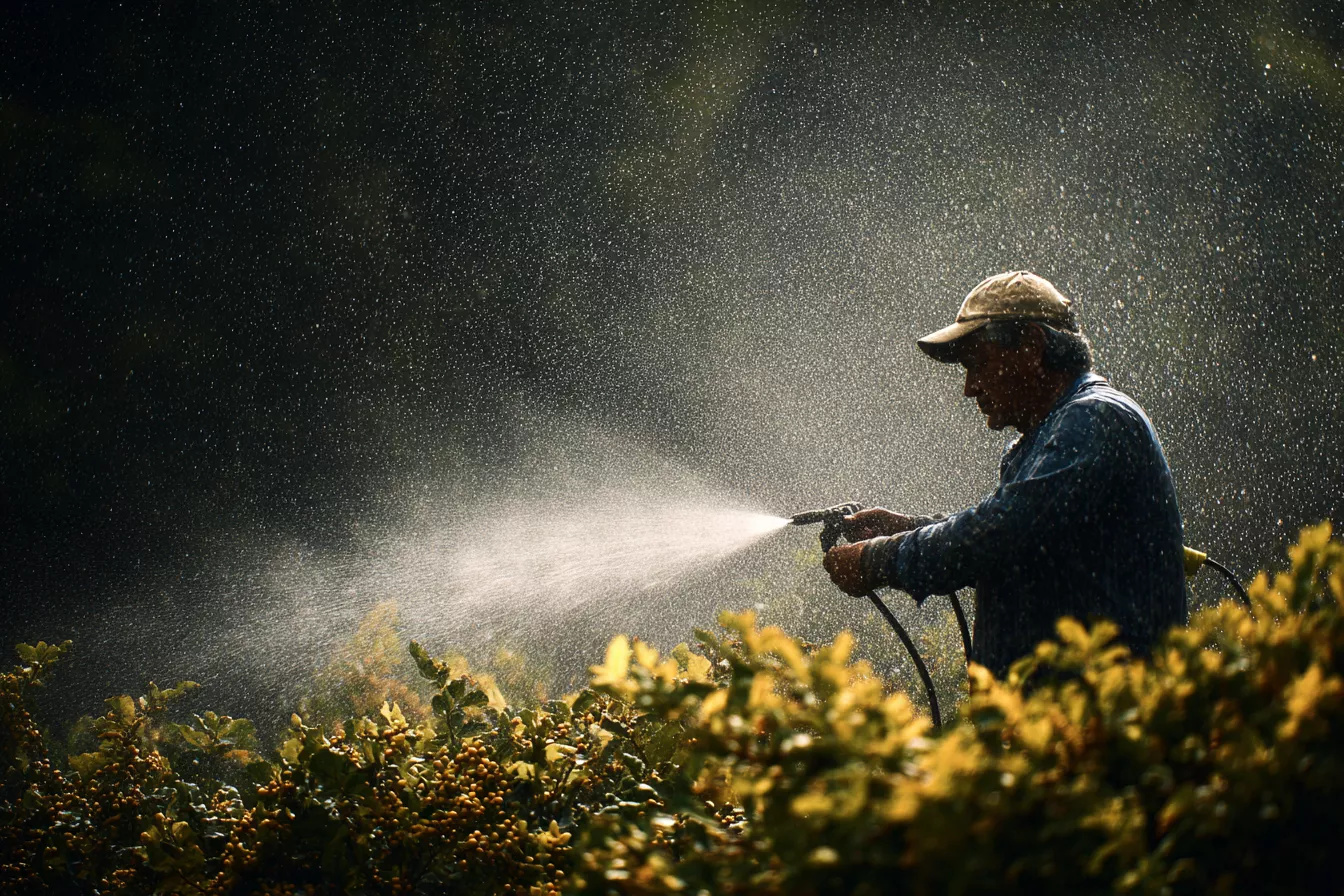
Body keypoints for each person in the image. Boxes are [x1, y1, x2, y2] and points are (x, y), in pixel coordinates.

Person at [822, 271, 1187, 677]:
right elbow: (1025, 542)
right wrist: (908, 528)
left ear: (1031, 345)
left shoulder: (1095, 418)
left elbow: (1002, 535)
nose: (969, 387)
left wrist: (879, 559)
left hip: (1103, 724)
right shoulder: (1045, 437)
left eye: (977, 363)